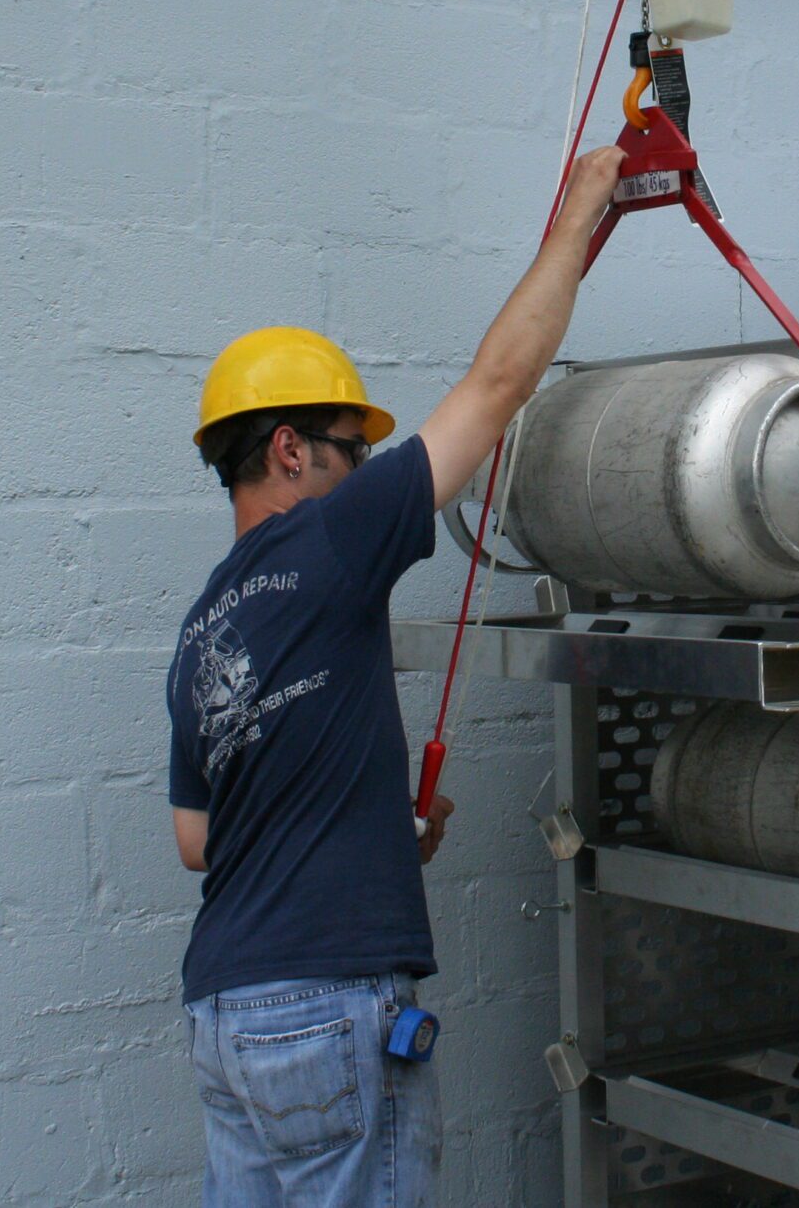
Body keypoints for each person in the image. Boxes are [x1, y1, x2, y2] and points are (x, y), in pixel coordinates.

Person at [166, 145, 624, 1208]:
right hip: (324, 1012)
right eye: (348, 448)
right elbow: (498, 387)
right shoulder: (327, 538)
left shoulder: (201, 629)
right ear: (290, 452)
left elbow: (198, 843)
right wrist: (584, 215)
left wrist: (364, 825)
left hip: (224, 1019)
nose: (366, 472)